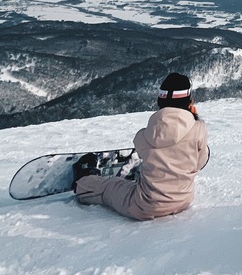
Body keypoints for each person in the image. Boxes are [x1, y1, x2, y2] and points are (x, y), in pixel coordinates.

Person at [74, 73, 209, 220]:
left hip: (146, 206)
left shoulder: (144, 136)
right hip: (184, 200)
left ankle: (82, 184)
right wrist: (193, 119)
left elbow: (143, 147)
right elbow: (200, 162)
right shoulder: (199, 129)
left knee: (109, 187)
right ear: (189, 102)